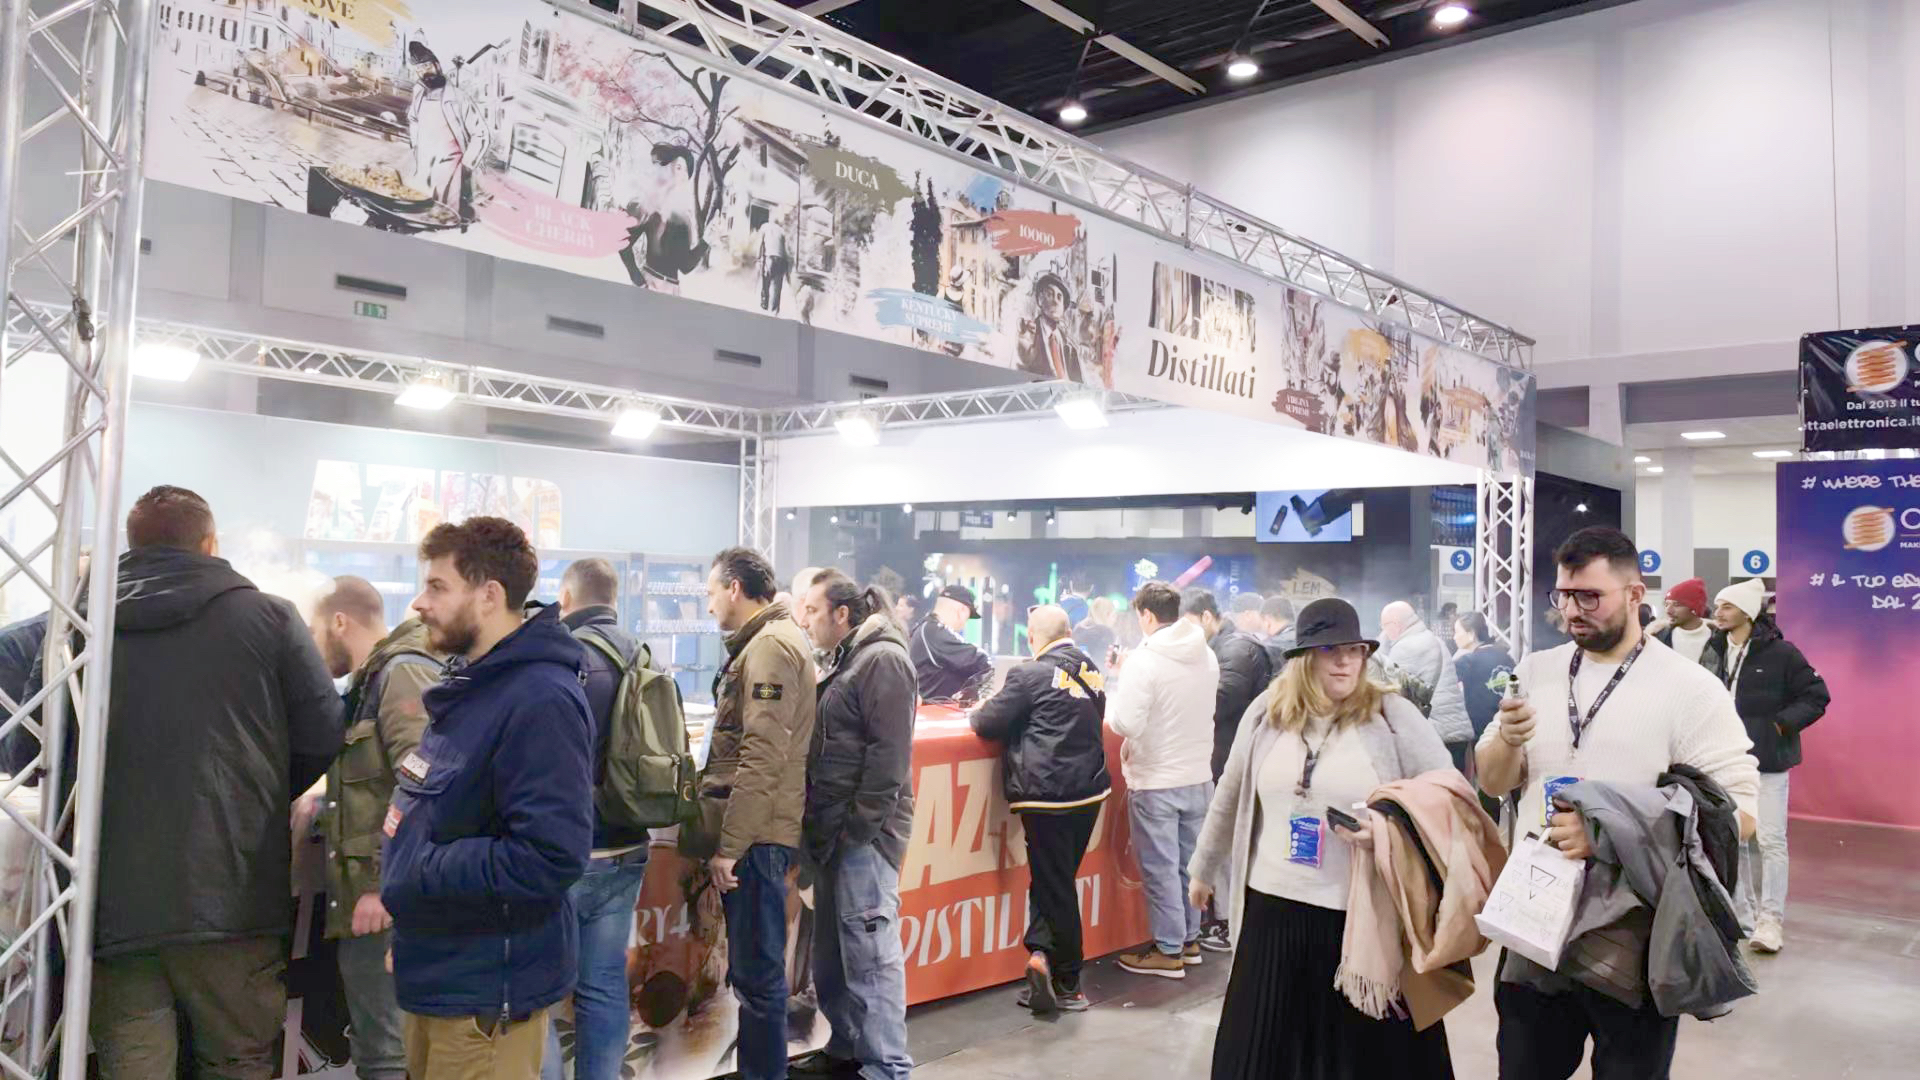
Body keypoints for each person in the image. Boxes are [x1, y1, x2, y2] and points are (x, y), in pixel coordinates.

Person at [1476, 526, 1759, 1080]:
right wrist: (1507, 740)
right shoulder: (1535, 671)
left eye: (1590, 596)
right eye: (1564, 595)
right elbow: (1492, 782)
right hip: (1533, 912)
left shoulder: (1689, 689)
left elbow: (1738, 818)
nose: (1571, 611)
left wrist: (1608, 832)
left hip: (1634, 929)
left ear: (1634, 594)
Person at [90, 486, 344, 1080]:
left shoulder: (82, 622)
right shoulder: (270, 617)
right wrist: (259, 793)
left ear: (132, 545)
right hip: (234, 889)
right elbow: (324, 730)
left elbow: (35, 747)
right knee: (238, 1061)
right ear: (210, 543)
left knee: (134, 1066)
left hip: (111, 899)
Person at [1189, 598, 1456, 1079]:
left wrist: (1391, 827)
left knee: (1361, 1059)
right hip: (1271, 915)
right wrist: (1203, 867)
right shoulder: (1266, 713)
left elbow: (1448, 794)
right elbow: (1231, 790)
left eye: (1355, 650)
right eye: (1331, 650)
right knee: (1260, 1053)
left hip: (1358, 918)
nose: (1345, 661)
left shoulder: (1392, 716)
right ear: (1303, 658)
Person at [383, 517, 594, 1080]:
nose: (420, 602)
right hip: (442, 975)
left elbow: (550, 855)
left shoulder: (540, 700)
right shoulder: (474, 688)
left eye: (437, 587)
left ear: (489, 596)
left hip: (483, 1002)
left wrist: (421, 871)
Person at [308, 576, 444, 1080]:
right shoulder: (376, 680)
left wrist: (382, 883)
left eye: (315, 630)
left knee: (386, 1054)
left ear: (340, 621)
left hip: (386, 903)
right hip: (381, 899)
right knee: (382, 1047)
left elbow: (426, 786)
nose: (312, 646)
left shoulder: (401, 674)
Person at [698, 547, 817, 1080]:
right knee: (756, 975)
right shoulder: (771, 641)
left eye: (711, 593)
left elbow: (763, 753)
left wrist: (731, 845)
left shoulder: (768, 647)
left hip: (758, 839)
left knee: (758, 979)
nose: (709, 606)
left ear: (735, 588)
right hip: (762, 834)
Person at [792, 572, 916, 1079]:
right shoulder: (852, 658)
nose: (806, 621)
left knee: (870, 956)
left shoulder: (882, 660)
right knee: (833, 954)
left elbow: (889, 758)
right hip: (835, 833)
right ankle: (846, 1045)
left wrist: (858, 828)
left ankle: (887, 1066)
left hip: (861, 836)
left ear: (841, 613)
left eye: (813, 610)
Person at [539, 558, 654, 1080]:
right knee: (604, 984)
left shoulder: (568, 657)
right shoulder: (642, 654)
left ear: (565, 597)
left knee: (538, 992)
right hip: (629, 841)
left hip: (572, 847)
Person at [970, 605, 1110, 1014]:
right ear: (1069, 632)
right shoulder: (1091, 669)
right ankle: (1040, 957)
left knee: (1055, 885)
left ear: (1032, 636)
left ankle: (1069, 983)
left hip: (1047, 795)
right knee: (1055, 880)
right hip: (1089, 791)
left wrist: (979, 709)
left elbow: (986, 722)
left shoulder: (1027, 675)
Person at [1107, 580, 1219, 979]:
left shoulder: (1144, 660)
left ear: (1146, 615)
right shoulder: (1206, 653)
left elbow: (1127, 723)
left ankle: (1169, 950)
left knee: (1160, 869)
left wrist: (1120, 683)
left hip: (1157, 779)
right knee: (1189, 865)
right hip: (1199, 775)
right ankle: (1189, 940)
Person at [1712, 578, 1829, 954]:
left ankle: (1771, 920)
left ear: (1747, 612)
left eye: (1726, 606)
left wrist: (1780, 725)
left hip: (1769, 762)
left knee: (1771, 840)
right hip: (1725, 762)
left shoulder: (1782, 653)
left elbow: (1816, 696)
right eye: (1717, 605)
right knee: (1735, 839)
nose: (1718, 612)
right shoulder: (1714, 649)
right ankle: (1743, 916)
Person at [1180, 588, 1273, 952]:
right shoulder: (1223, 648)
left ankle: (1226, 923)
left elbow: (1218, 702)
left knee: (1229, 843)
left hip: (1233, 757)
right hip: (1225, 755)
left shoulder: (1236, 650)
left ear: (1207, 617)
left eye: (1188, 624)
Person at [1378, 600, 1474, 762]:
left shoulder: (1406, 647)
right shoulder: (1434, 640)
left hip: (1435, 736)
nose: (1384, 632)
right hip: (1453, 731)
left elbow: (1391, 694)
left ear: (1395, 625)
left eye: (1384, 627)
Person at [406, 41, 488, 215]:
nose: (424, 71)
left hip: (451, 168)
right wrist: (415, 146)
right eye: (419, 69)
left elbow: (480, 133)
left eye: (427, 66)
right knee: (419, 211)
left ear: (437, 65)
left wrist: (467, 165)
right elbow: (413, 120)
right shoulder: (419, 96)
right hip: (424, 165)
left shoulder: (458, 98)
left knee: (444, 215)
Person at [1451, 612, 1517, 817]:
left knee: (1487, 786)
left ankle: (1490, 832)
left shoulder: (1467, 661)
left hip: (1482, 732)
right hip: (1510, 726)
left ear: (1471, 634)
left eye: (1457, 632)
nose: (1454, 637)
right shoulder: (1505, 656)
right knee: (1515, 782)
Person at [910, 584, 994, 703]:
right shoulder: (934, 631)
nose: (965, 623)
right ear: (962, 611)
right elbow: (981, 659)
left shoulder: (924, 628)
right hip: (935, 712)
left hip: (926, 710)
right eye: (968, 617)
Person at [1653, 578, 1721, 670]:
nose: (1668, 610)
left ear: (1694, 608)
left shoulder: (1720, 640)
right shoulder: (1659, 637)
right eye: (1666, 604)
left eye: (1676, 605)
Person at [1070, 594, 1118, 666]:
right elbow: (1110, 664)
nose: (1115, 620)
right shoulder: (1106, 634)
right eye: (1114, 615)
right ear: (1107, 614)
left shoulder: (1078, 629)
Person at [758, 212, 791, 314]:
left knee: (765, 281)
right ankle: (774, 310)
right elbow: (786, 249)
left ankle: (764, 303)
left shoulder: (765, 226)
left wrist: (758, 257)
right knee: (777, 286)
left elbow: (760, 243)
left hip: (769, 258)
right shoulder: (782, 231)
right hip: (781, 259)